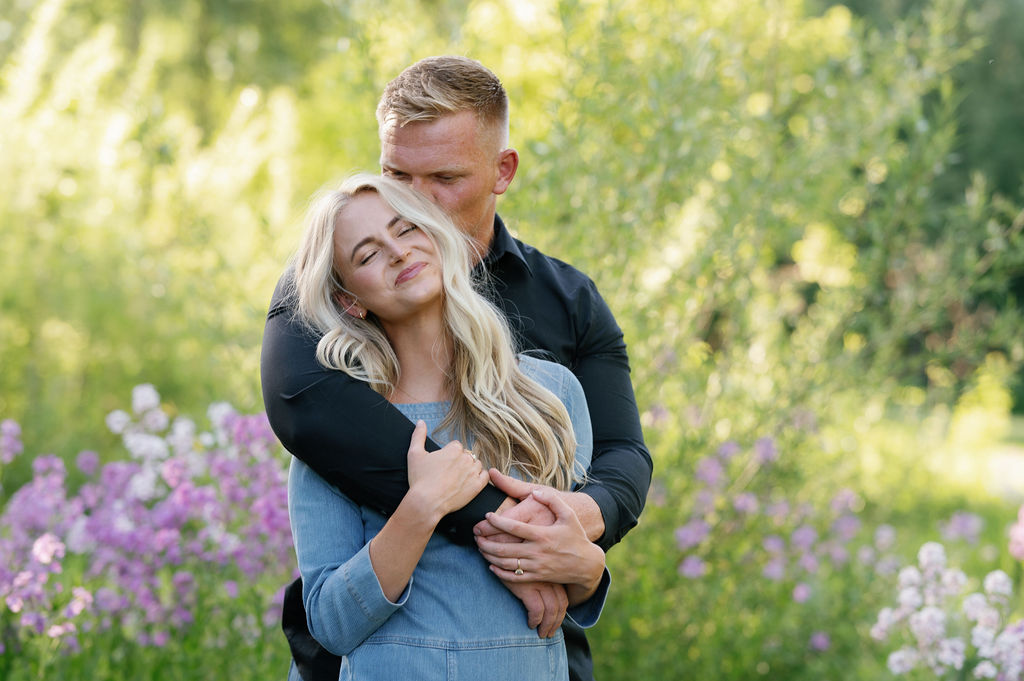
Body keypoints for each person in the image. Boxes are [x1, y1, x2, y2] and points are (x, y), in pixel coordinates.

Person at [260, 55, 652, 681]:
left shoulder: (567, 309)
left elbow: (623, 454)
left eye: (443, 177)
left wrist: (573, 532)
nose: (416, 207)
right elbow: (302, 405)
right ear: (348, 297)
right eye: (396, 174)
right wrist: (502, 531)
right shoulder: (319, 289)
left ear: (503, 171)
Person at [287, 173, 608, 680]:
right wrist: (421, 507)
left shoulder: (551, 395)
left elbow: (564, 591)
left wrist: (589, 572)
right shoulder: (338, 427)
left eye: (407, 228)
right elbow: (329, 623)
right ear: (350, 300)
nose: (396, 252)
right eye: (368, 255)